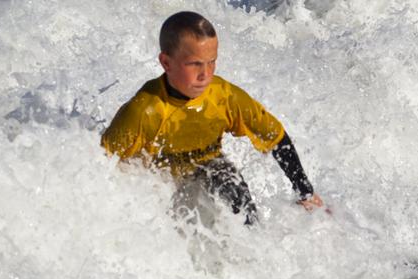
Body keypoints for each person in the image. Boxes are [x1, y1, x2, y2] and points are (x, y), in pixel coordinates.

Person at [101, 11, 324, 225]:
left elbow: (275, 137)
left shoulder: (224, 97)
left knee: (241, 206)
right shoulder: (144, 111)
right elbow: (101, 165)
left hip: (209, 165)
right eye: (195, 64)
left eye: (211, 62)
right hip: (159, 177)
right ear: (166, 63)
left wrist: (305, 191)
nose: (205, 74)